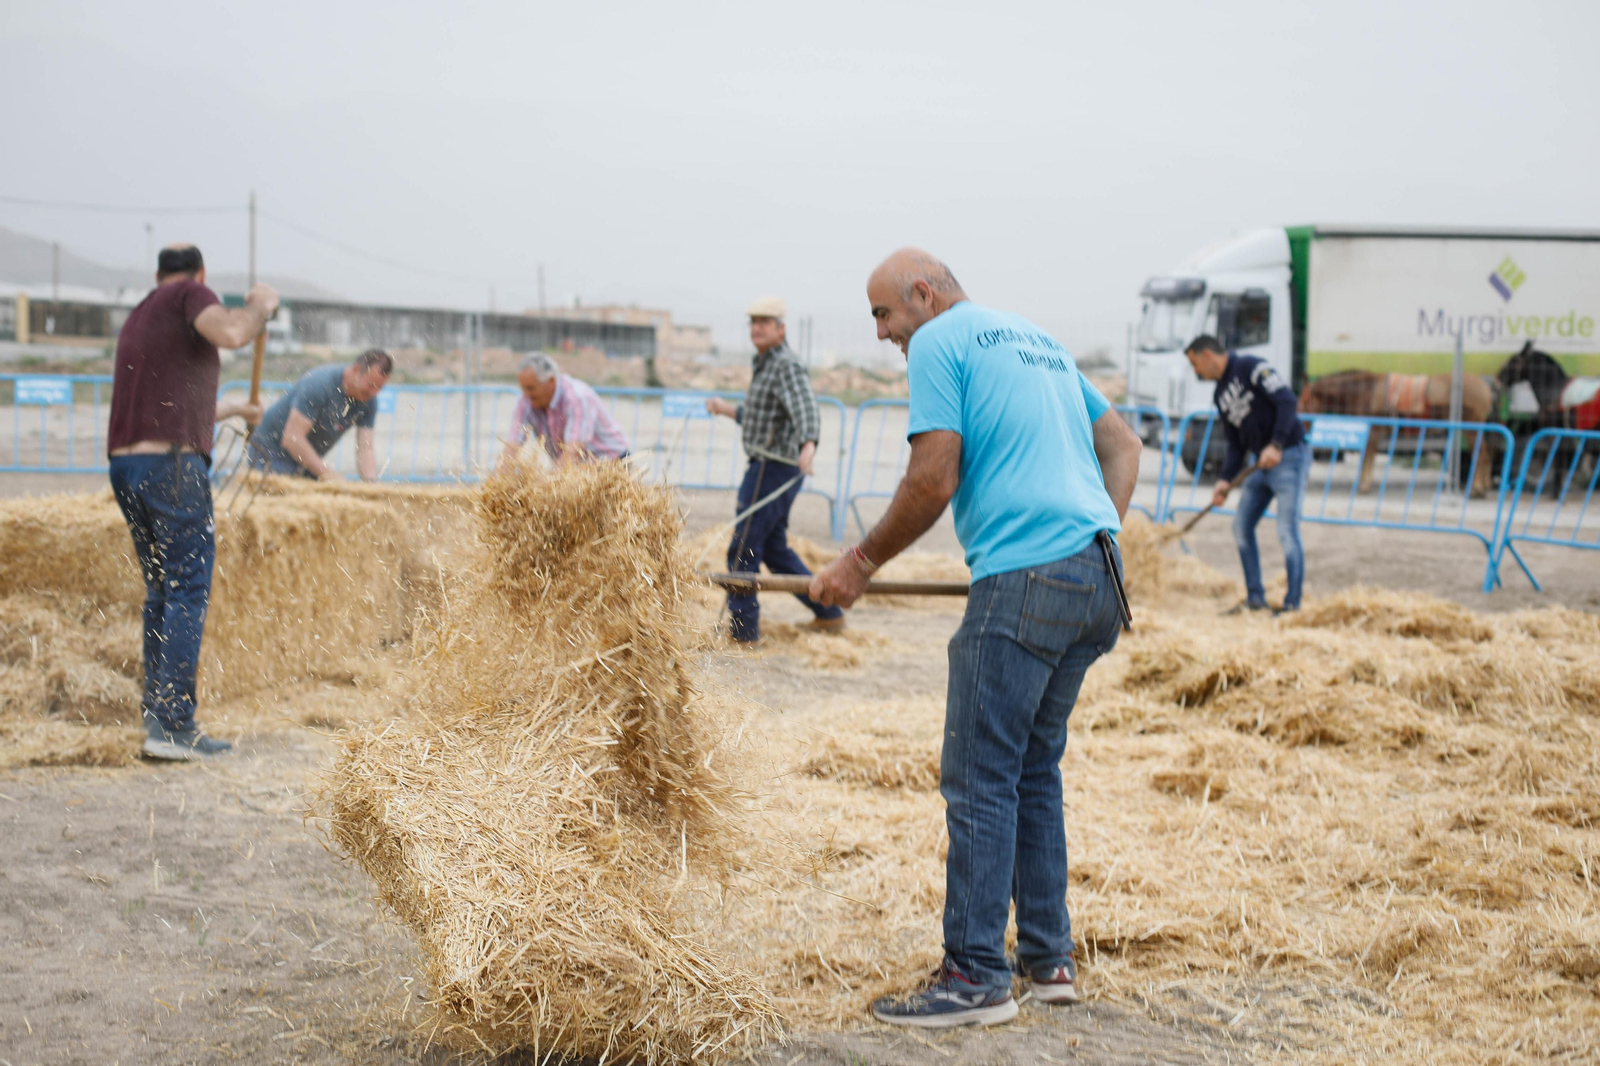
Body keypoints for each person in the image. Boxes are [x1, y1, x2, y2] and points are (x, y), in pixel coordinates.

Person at [810, 249, 1142, 1028]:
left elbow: (933, 477)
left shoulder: (939, 342)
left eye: (884, 315)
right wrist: (1083, 537)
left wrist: (858, 564)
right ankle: (1048, 960)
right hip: (1097, 577)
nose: (885, 335)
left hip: (1025, 581)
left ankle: (974, 977)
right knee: (1032, 772)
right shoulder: (1035, 339)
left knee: (979, 776)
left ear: (922, 296)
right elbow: (1124, 445)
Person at [107, 243, 277, 761]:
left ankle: (156, 715)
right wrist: (262, 307)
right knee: (186, 588)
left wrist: (230, 409)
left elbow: (169, 404)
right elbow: (231, 332)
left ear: (156, 273)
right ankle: (175, 726)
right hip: (172, 470)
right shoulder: (190, 293)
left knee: (161, 589)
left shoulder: (142, 313)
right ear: (198, 275)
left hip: (128, 467)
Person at [706, 296, 844, 644]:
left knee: (743, 549)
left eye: (765, 322)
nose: (757, 328)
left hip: (773, 468)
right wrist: (726, 410)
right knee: (774, 550)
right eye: (753, 322)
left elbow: (806, 408)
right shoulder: (765, 363)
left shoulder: (785, 364)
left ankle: (743, 633)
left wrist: (809, 443)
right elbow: (762, 418)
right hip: (772, 464)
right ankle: (829, 613)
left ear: (781, 329)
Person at [1182, 334, 1309, 614]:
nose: (1196, 372)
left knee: (1287, 530)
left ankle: (1292, 605)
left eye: (1195, 365)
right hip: (1259, 466)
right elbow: (1236, 444)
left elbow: (1287, 402)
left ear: (1207, 355)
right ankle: (1255, 598)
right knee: (1241, 527)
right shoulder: (1220, 395)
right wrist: (1224, 481)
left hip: (1287, 456)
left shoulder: (1252, 368)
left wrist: (1276, 443)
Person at [248, 350, 392, 480]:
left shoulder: (369, 400)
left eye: (380, 387)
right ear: (355, 370)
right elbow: (292, 438)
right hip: (270, 452)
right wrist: (329, 476)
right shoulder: (320, 384)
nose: (374, 393)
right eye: (371, 385)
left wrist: (370, 486)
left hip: (304, 459)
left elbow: (365, 448)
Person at [497, 352, 630, 467]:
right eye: (523, 388)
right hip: (577, 469)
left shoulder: (577, 397)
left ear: (551, 382)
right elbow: (511, 447)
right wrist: (494, 484)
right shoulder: (526, 401)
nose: (525, 394)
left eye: (531, 388)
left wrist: (545, 487)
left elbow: (573, 451)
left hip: (612, 463)